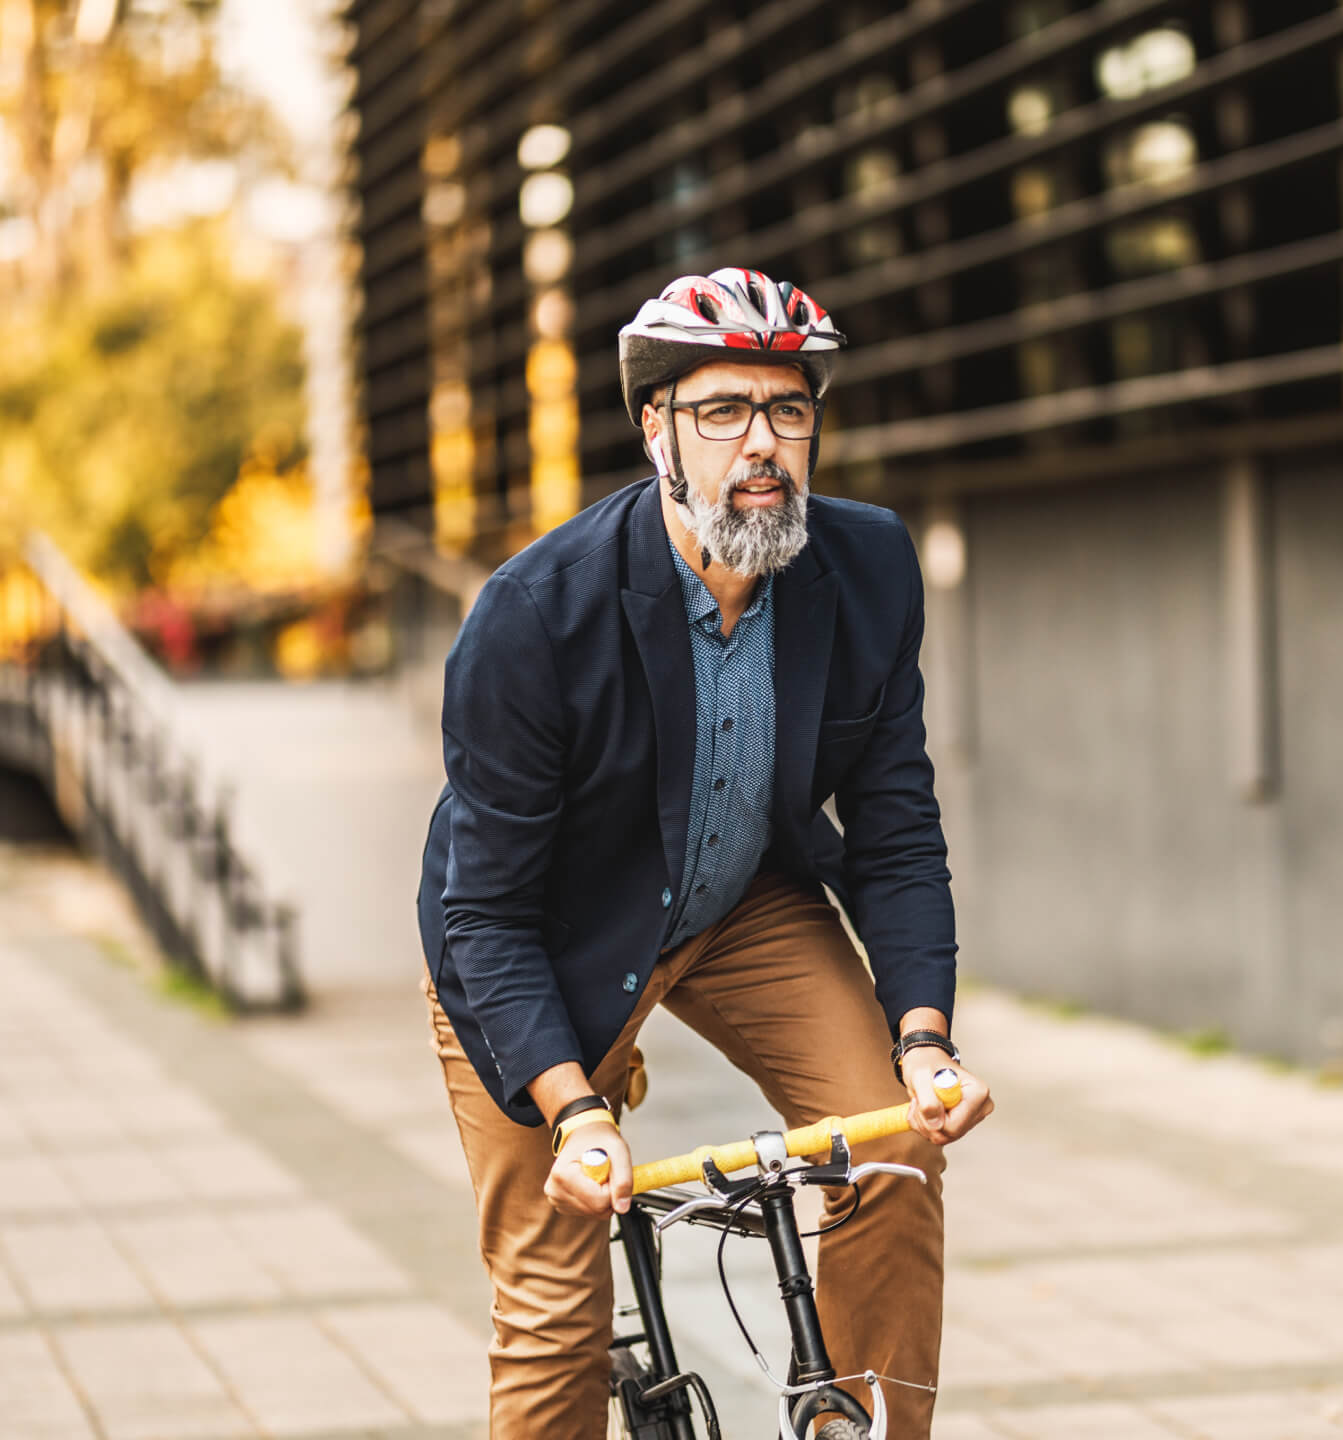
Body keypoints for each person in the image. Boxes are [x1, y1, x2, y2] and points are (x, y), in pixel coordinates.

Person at [417, 267, 993, 1439]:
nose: (762, 444)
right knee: (552, 1299)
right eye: (722, 411)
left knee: (891, 1159)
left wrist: (923, 1039)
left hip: (742, 903)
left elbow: (894, 825)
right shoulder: (535, 616)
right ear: (658, 430)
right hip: (544, 938)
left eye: (787, 409)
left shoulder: (867, 568)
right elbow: (486, 917)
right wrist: (575, 1113)